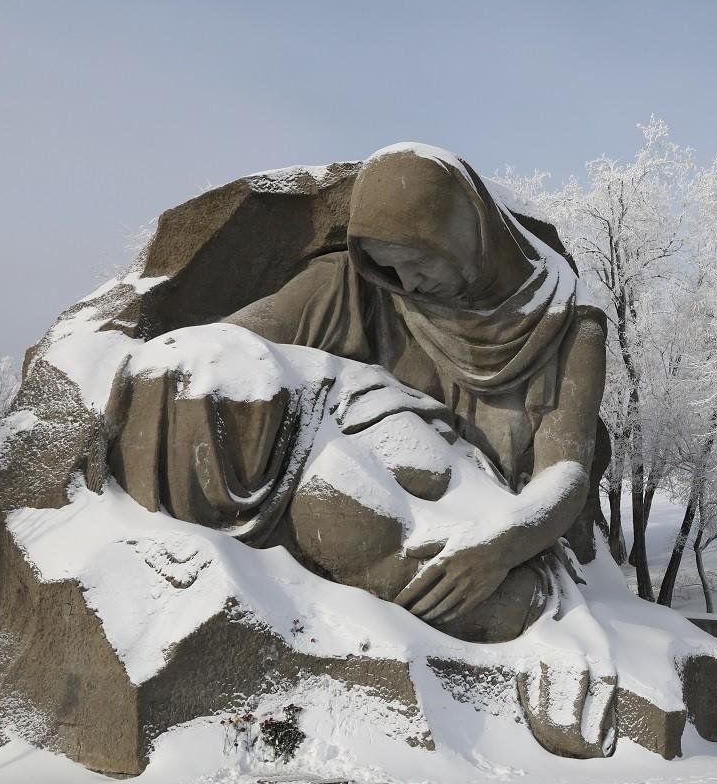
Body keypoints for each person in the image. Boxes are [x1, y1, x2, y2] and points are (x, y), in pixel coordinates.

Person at [106, 144, 608, 645]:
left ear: (463, 236)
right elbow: (230, 346)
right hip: (372, 512)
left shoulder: (568, 324)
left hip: (484, 527)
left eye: (418, 261)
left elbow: (565, 470)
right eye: (389, 268)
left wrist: (499, 546)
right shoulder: (351, 286)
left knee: (502, 605)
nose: (406, 282)